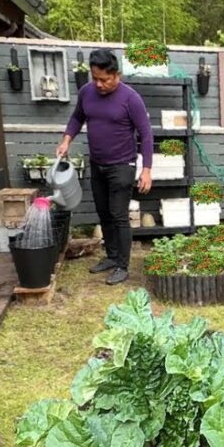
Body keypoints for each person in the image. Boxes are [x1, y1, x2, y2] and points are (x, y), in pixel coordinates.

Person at [56, 48, 153, 285]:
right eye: (95, 78)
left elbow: (146, 134)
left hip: (122, 165)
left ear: (116, 75)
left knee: (119, 215)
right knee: (104, 213)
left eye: (104, 80)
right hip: (97, 163)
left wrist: (147, 169)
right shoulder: (86, 92)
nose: (99, 84)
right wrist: (67, 139)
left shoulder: (131, 99)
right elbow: (78, 117)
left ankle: (122, 265)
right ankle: (111, 257)